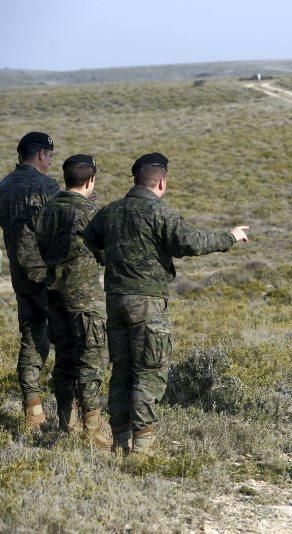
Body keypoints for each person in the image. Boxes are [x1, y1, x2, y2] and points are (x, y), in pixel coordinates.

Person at [84, 153, 249, 454]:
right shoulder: (159, 212)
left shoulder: (111, 211)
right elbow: (192, 243)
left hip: (116, 300)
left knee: (122, 370)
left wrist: (112, 261)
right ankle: (142, 448)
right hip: (147, 303)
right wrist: (230, 237)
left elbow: (90, 239)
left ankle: (120, 441)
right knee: (149, 369)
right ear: (161, 182)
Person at [34, 154, 111, 448]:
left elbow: (39, 245)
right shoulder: (91, 212)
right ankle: (93, 426)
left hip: (54, 294)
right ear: (90, 180)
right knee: (90, 359)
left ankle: (68, 423)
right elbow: (104, 253)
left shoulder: (48, 208)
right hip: (84, 298)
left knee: (64, 359)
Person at [0, 132, 60, 431]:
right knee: (65, 339)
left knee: (30, 336)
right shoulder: (46, 186)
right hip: (48, 275)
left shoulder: (5, 184)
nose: (50, 160)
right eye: (49, 155)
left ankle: (32, 407)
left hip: (20, 275)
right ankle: (73, 412)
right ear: (40, 155)